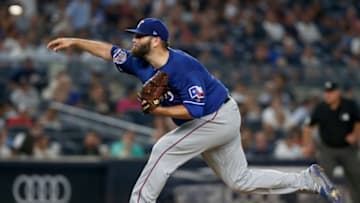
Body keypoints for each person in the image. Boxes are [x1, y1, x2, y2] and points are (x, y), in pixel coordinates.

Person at [47, 18, 341, 203]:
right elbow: (110, 51)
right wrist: (75, 42)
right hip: (218, 117)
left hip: (215, 117)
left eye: (139, 36)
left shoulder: (181, 66)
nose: (133, 39)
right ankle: (308, 179)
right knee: (240, 180)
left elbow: (194, 110)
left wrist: (157, 110)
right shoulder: (140, 61)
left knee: (163, 149)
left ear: (156, 40)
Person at [303, 81, 360, 203]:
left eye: (331, 92)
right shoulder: (321, 108)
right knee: (323, 179)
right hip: (327, 149)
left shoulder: (349, 105)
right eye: (326, 92)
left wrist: (355, 135)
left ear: (337, 92)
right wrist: (307, 145)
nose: (328, 95)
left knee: (356, 177)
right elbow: (308, 127)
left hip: (348, 149)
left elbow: (357, 122)